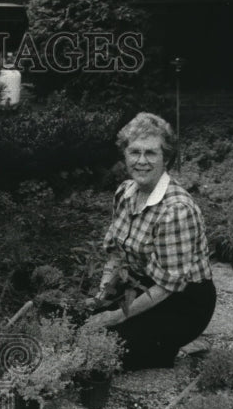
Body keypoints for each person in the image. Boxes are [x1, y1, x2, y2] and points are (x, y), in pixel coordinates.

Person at [83, 112, 216, 371]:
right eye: (134, 152)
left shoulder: (176, 210)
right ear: (125, 155)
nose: (141, 161)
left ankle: (168, 350)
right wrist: (101, 298)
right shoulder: (124, 192)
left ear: (166, 158)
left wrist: (112, 316)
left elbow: (166, 287)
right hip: (142, 284)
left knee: (108, 350)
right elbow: (116, 255)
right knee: (84, 320)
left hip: (182, 301)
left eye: (151, 153)